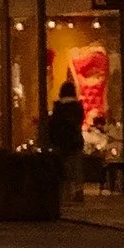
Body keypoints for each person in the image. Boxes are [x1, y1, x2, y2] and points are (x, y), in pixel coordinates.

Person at [48, 75, 86, 203]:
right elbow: (80, 121)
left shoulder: (58, 107)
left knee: (63, 168)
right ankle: (77, 191)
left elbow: (53, 124)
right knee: (76, 167)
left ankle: (65, 194)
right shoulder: (78, 106)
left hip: (61, 141)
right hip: (75, 140)